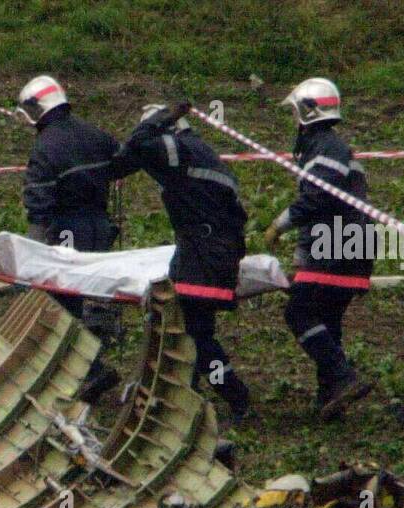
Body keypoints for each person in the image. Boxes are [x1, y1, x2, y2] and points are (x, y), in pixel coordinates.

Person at [112, 101, 252, 422]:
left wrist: (155, 121)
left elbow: (137, 147)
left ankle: (233, 392)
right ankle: (190, 394)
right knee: (191, 330)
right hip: (211, 252)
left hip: (202, 255)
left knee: (197, 337)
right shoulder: (200, 152)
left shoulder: (175, 149)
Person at [264, 77, 374, 421]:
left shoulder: (326, 148)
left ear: (307, 113)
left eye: (296, 113)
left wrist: (278, 225)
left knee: (299, 313)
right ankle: (330, 396)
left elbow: (317, 198)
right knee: (326, 318)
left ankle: (342, 377)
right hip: (353, 242)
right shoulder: (331, 149)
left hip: (338, 242)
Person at [17, 75, 128, 402]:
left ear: (38, 107)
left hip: (67, 231)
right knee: (90, 293)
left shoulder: (45, 146)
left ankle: (91, 371)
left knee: (61, 307)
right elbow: (122, 163)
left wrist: (30, 260)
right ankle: (90, 353)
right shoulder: (94, 133)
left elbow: (39, 207)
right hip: (99, 226)